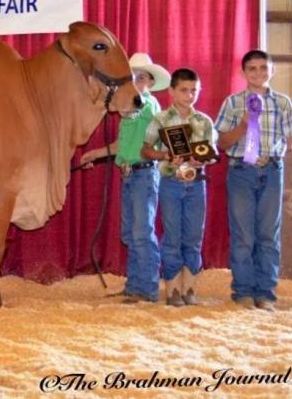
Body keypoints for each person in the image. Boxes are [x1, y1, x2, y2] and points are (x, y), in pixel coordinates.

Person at [81, 53, 170, 303]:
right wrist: (93, 155)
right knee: (132, 233)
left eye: (141, 78)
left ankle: (148, 289)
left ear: (150, 83)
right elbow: (120, 145)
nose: (136, 82)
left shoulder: (148, 106)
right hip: (131, 175)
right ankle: (135, 285)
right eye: (132, 77)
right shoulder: (132, 108)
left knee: (142, 232)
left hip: (144, 173)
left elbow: (128, 111)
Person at [215, 50, 292, 311]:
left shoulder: (283, 103)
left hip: (272, 171)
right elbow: (222, 142)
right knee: (243, 235)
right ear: (243, 72)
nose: (258, 73)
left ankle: (266, 293)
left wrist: (277, 150)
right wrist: (243, 125)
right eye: (252, 69)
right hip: (241, 171)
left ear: (272, 71)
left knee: (269, 234)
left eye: (263, 68)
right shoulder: (233, 102)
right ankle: (244, 292)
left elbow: (291, 140)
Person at [141, 68, 217, 307]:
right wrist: (164, 154)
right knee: (172, 235)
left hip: (196, 183)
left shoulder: (204, 121)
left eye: (194, 90)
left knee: (194, 235)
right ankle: (172, 289)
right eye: (184, 90)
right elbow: (145, 150)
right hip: (170, 182)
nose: (189, 94)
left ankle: (190, 287)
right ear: (172, 91)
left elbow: (212, 154)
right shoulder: (161, 119)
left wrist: (202, 159)